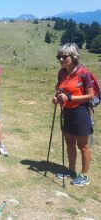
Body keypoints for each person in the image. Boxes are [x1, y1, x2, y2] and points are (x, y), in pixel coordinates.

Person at [52, 43, 94, 186]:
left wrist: (69, 98)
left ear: (73, 56)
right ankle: (71, 171)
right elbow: (60, 89)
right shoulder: (62, 72)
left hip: (81, 112)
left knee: (83, 145)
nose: (61, 60)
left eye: (64, 57)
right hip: (67, 111)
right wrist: (56, 97)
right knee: (69, 142)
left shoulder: (83, 73)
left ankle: (84, 175)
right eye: (59, 57)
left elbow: (90, 95)